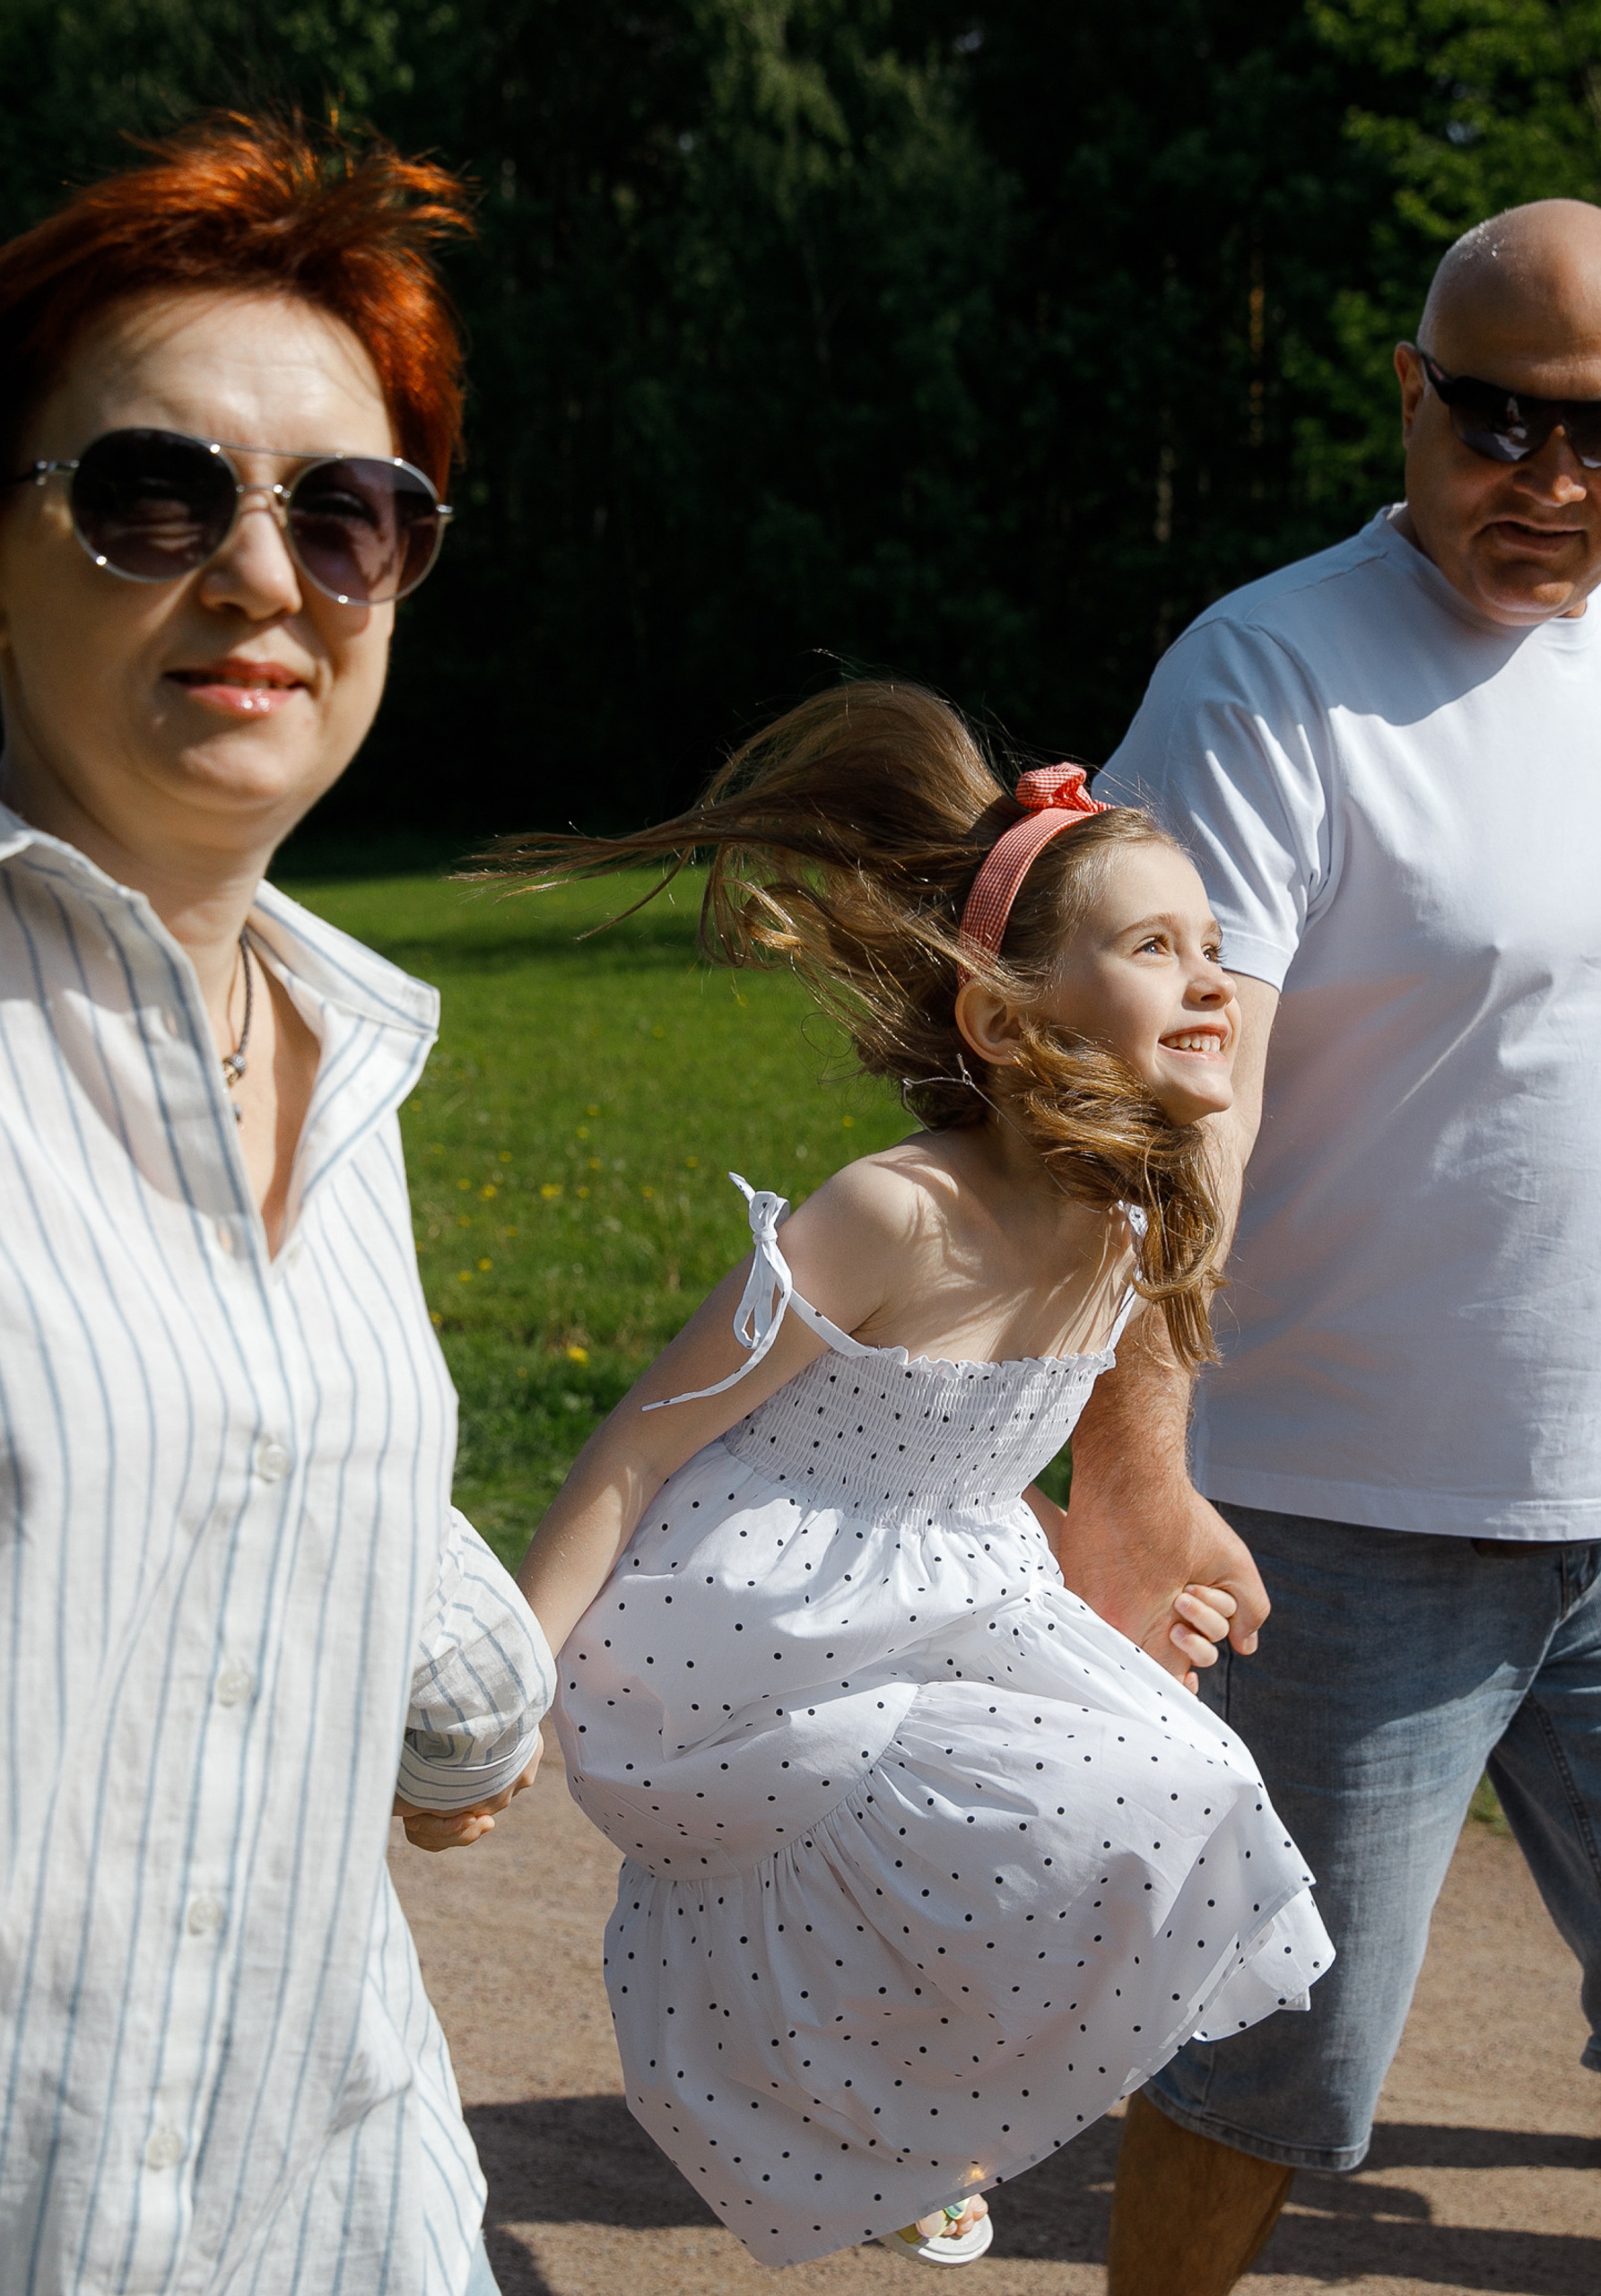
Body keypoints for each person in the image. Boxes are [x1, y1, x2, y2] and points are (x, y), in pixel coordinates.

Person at [0, 120, 553, 2294]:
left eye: (347, 512)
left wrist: (473, 1691)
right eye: (153, 494)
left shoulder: (349, 1053)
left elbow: (252, 1443)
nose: (264, 575)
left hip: (310, 2212)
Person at [1076, 198, 1601, 2293]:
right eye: (1493, 423)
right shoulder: (1268, 673)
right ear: (1408, 397)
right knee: (1262, 2065)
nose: (1549, 482)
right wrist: (1133, 1465)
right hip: (1338, 1510)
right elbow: (1164, 1097)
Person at [478, 682, 1333, 2267]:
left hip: (962, 1576)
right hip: (768, 1610)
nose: (1212, 979)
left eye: (1214, 948)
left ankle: (926, 2121)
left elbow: (1015, 1453)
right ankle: (833, 2110)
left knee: (1183, 1796)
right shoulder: (895, 1213)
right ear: (1008, 1019)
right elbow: (644, 1435)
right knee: (945, 1827)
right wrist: (521, 1668)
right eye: (1155, 948)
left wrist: (1126, 1556)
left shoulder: (1135, 1224)